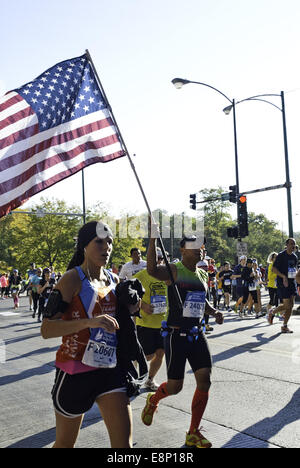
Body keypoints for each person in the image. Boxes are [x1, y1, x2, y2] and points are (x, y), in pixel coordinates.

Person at [41, 221, 141, 449]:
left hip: (110, 371)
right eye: (99, 242)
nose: (106, 247)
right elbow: (46, 329)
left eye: (110, 242)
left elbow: (125, 321)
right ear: (84, 246)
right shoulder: (71, 279)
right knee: (65, 444)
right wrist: (89, 322)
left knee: (124, 446)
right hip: (75, 373)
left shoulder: (115, 281)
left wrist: (135, 307)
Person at [141, 230, 223, 449]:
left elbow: (202, 301)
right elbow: (150, 269)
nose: (200, 249)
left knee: (204, 380)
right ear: (183, 249)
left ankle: (193, 432)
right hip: (176, 335)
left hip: (197, 333)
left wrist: (214, 312)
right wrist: (151, 240)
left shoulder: (203, 274)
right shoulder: (174, 270)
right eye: (194, 245)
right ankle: (154, 399)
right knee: (175, 387)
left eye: (201, 246)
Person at [134, 248, 167, 391]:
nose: (159, 261)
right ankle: (131, 373)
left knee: (160, 353)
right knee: (148, 355)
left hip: (163, 322)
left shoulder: (168, 275)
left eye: (161, 258)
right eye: (157, 258)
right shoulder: (141, 275)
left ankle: (150, 380)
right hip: (145, 322)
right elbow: (126, 295)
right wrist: (142, 305)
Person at [268, 238, 298, 333]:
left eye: (294, 244)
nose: (293, 246)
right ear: (287, 245)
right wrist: (283, 276)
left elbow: (294, 269)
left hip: (292, 282)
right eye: (291, 244)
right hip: (282, 283)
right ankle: (272, 312)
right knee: (287, 304)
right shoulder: (281, 255)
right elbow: (273, 269)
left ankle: (284, 326)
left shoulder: (294, 257)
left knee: (291, 306)